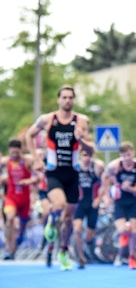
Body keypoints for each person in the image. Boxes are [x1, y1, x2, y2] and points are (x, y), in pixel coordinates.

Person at [25, 84, 95, 271]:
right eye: (64, 97)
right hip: (54, 172)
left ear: (74, 100)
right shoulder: (47, 120)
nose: (67, 100)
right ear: (58, 99)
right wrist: (35, 159)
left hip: (72, 173)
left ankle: (63, 250)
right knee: (58, 205)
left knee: (69, 217)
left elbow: (91, 150)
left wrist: (81, 140)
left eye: (70, 97)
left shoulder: (82, 121)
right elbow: (29, 136)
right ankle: (51, 220)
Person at [101, 141, 136, 270]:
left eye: (129, 155)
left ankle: (132, 257)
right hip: (119, 201)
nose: (127, 158)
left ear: (133, 153)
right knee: (123, 230)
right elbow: (104, 177)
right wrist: (107, 196)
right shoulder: (115, 166)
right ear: (121, 155)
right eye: (124, 155)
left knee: (134, 230)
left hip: (133, 200)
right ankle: (121, 254)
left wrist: (129, 188)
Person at [1, 138, 39, 260]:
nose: (15, 155)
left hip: (24, 199)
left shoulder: (27, 162)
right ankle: (8, 249)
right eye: (12, 153)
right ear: (9, 151)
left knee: (23, 225)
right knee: (10, 219)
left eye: (17, 153)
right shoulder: (6, 162)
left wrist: (28, 181)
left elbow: (37, 178)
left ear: (21, 150)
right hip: (11, 198)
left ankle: (18, 240)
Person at [73, 148, 104, 268]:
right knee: (77, 230)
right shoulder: (75, 167)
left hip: (92, 203)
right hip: (80, 203)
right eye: (84, 155)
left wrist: (99, 198)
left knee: (89, 234)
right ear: (80, 155)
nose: (87, 158)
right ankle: (81, 257)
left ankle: (88, 246)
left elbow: (105, 184)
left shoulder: (97, 167)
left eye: (89, 155)